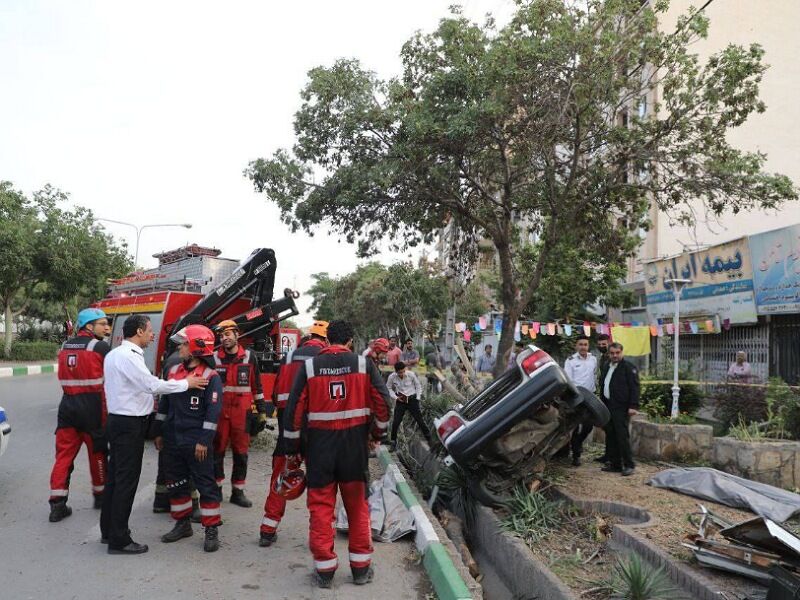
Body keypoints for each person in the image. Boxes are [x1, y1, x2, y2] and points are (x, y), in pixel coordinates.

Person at [284, 320, 391, 588]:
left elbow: (294, 411)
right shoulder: (364, 365)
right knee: (357, 506)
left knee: (321, 507)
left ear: (326, 339)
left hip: (320, 448)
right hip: (354, 448)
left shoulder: (310, 367)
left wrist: (293, 451)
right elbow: (383, 404)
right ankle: (361, 569)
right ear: (351, 340)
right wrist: (376, 436)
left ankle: (324, 570)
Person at [100, 314, 208, 555]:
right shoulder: (128, 357)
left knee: (115, 480)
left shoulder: (113, 354)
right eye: (149, 330)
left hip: (118, 422)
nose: (153, 335)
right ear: (138, 331)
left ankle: (108, 531)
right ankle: (119, 539)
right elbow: (152, 385)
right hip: (129, 425)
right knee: (126, 482)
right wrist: (186, 384)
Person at [154, 325, 225, 552]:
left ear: (196, 347)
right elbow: (164, 404)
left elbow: (212, 413)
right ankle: (182, 524)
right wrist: (158, 431)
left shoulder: (210, 377)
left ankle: (211, 528)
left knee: (206, 485)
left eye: (184, 343)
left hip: (197, 441)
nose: (180, 347)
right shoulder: (174, 371)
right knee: (176, 483)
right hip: (173, 438)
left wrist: (204, 440)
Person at [259, 320, 328, 548]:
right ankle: (319, 536)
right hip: (315, 429)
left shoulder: (288, 358)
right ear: (325, 339)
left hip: (287, 429)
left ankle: (267, 529)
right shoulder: (324, 359)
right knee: (320, 487)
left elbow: (277, 394)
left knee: (281, 477)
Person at [48, 308, 112, 522]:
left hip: (67, 408)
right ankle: (101, 497)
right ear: (89, 326)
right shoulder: (100, 347)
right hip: (92, 410)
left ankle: (57, 505)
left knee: (63, 456)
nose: (107, 327)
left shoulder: (65, 347)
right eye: (102, 323)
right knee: (98, 454)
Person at [211, 320, 267, 508]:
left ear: (237, 334)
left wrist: (262, 412)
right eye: (221, 335)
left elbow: (257, 386)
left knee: (241, 453)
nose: (224, 338)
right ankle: (216, 489)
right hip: (220, 412)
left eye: (227, 334)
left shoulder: (250, 357)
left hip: (241, 413)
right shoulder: (214, 358)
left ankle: (238, 491)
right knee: (217, 452)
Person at [599, 342, 639, 477]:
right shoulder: (606, 366)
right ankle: (615, 464)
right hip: (608, 406)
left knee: (622, 436)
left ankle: (629, 465)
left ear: (622, 353)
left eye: (617, 353)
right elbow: (603, 383)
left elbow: (635, 387)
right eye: (612, 353)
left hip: (621, 407)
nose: (615, 355)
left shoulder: (628, 367)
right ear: (609, 354)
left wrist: (633, 406)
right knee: (611, 435)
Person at [563, 336, 598, 466]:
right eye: (580, 344)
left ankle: (577, 443)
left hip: (590, 397)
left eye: (585, 344)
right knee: (575, 426)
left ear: (588, 346)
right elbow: (568, 381)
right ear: (576, 346)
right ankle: (576, 456)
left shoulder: (593, 359)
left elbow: (594, 376)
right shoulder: (570, 361)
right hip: (576, 397)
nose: (583, 347)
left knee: (588, 425)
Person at [387, 361, 431, 450]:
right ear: (396, 372)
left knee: (420, 420)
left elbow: (418, 386)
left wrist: (417, 398)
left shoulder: (411, 374)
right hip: (401, 400)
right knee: (396, 422)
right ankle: (393, 442)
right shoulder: (392, 377)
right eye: (399, 372)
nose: (402, 374)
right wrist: (395, 397)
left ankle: (430, 440)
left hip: (412, 400)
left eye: (403, 371)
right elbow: (388, 388)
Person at [593, 333, 612, 464]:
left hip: (612, 396)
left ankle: (612, 456)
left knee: (611, 428)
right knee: (607, 426)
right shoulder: (602, 358)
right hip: (604, 395)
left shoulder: (612, 357)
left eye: (603, 344)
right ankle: (607, 454)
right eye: (599, 345)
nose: (601, 346)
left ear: (608, 342)